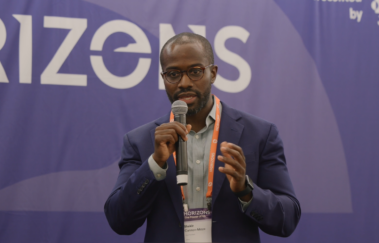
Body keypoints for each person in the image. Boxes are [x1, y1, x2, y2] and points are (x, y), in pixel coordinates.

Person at [104, 33, 301, 242]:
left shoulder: (259, 133)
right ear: (164, 79)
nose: (184, 83)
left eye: (195, 71)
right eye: (173, 74)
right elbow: (119, 221)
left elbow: (287, 219)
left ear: (213, 73)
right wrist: (155, 164)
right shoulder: (140, 141)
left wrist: (246, 190)